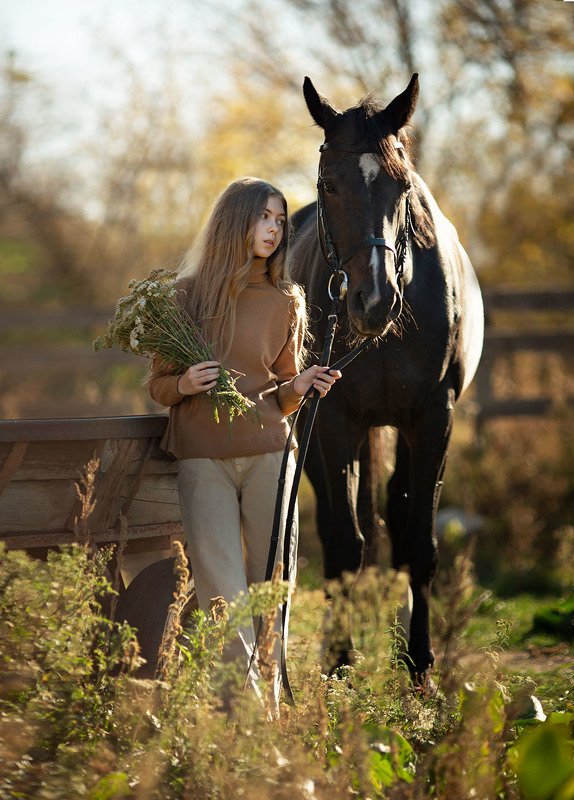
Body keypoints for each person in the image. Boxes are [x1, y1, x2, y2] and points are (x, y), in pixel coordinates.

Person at [147, 177, 341, 715]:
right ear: (236, 220)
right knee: (221, 590)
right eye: (264, 218)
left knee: (271, 584)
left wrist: (300, 386)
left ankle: (268, 712)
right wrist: (184, 383)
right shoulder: (184, 297)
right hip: (202, 459)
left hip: (270, 456)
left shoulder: (286, 300)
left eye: (280, 220)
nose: (275, 230)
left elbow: (280, 392)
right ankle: (247, 716)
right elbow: (159, 385)